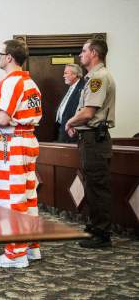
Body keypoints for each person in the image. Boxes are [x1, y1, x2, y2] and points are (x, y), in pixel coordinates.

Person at [0, 39, 42, 268]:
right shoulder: (30, 82)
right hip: (28, 140)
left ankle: (15, 254)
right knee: (29, 196)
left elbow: (4, 118)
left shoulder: (11, 81)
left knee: (12, 198)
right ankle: (31, 247)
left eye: (0, 54)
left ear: (9, 57)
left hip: (12, 143)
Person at [65, 38, 115, 248]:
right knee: (92, 185)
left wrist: (70, 121)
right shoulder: (93, 77)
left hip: (95, 138)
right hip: (90, 137)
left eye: (84, 51)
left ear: (94, 53)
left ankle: (102, 234)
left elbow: (88, 112)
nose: (80, 54)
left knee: (97, 186)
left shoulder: (99, 78)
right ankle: (95, 226)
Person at [55, 64, 85, 143]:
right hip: (63, 127)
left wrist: (73, 126)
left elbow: (83, 110)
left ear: (75, 74)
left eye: (66, 73)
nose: (63, 76)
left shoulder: (83, 88)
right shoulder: (72, 86)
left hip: (72, 130)